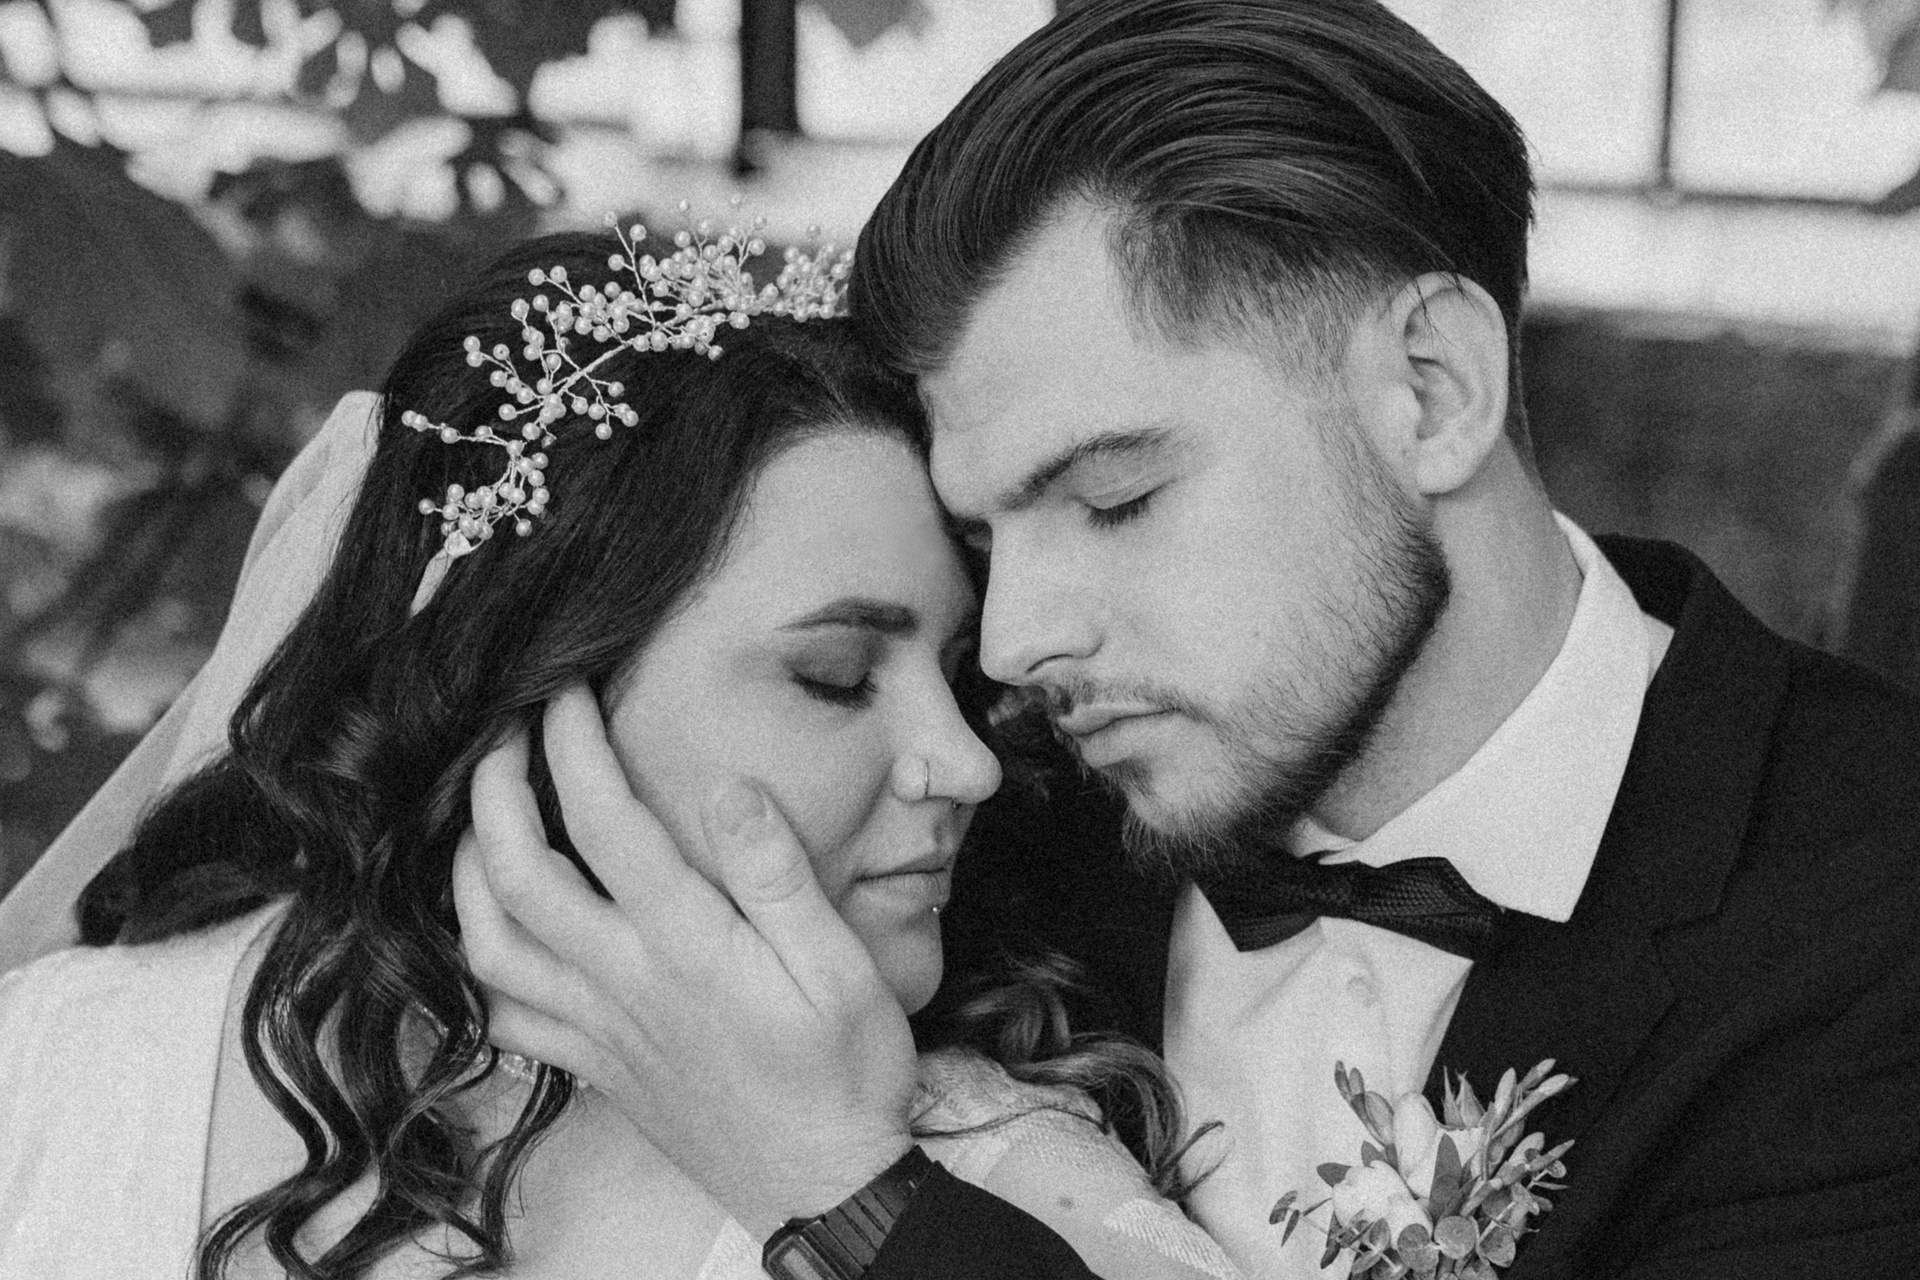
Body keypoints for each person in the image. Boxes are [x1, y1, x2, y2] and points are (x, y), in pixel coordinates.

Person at [452, 1, 1920, 1277]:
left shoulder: (1872, 925)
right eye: (986, 546)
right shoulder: (972, 828)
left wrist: (835, 1183)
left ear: (1431, 388)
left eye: (1114, 499)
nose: (1013, 646)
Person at [0, 228, 1242, 1280]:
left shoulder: (992, 1175)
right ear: (529, 689)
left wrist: (842, 1185)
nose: (966, 762)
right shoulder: (59, 1056)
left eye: (959, 673)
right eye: (835, 675)